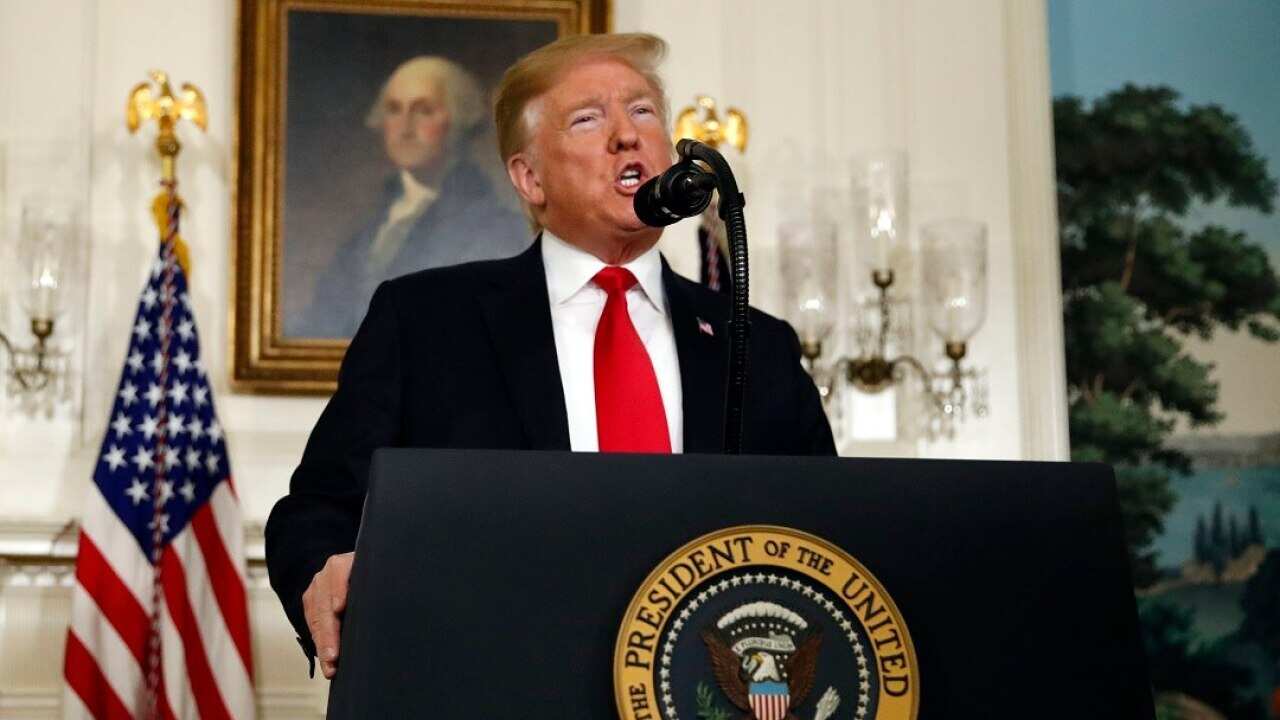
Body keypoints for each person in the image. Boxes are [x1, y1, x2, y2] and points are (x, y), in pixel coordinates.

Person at [265, 32, 836, 679]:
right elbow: (317, 510)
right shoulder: (425, 322)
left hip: (705, 685)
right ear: (529, 177)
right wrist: (324, 573)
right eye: (588, 119)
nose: (628, 135)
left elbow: (829, 531)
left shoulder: (756, 345)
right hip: (495, 680)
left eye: (643, 110)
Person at [290, 55, 530, 338]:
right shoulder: (372, 223)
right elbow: (324, 319)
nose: (405, 127)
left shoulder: (494, 225)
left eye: (424, 111)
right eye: (394, 110)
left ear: (458, 120)